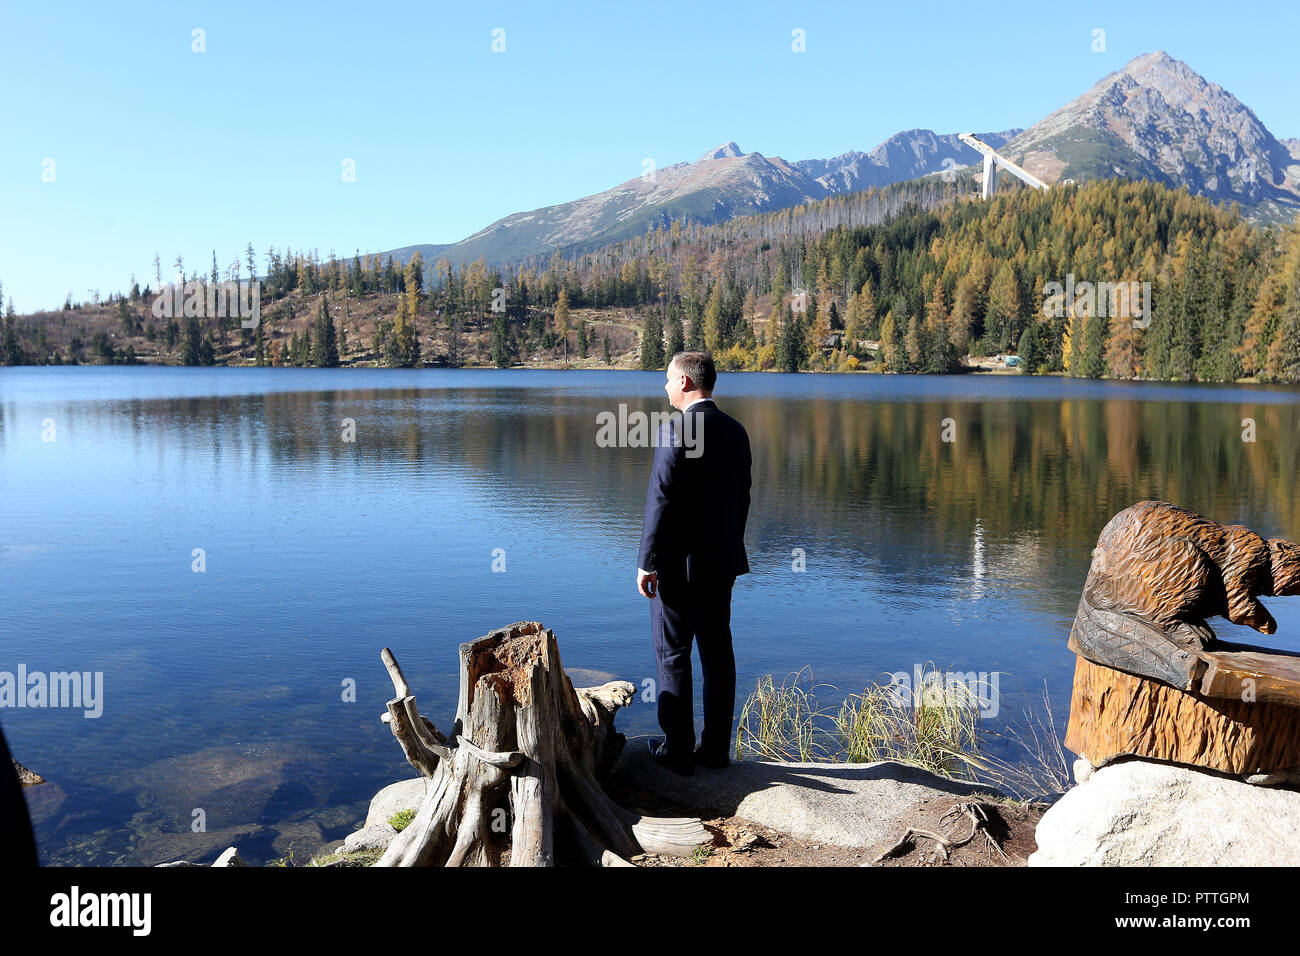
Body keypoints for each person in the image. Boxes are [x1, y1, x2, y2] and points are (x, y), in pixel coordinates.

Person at [637, 351, 751, 775]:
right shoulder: (736, 431)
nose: (665, 387)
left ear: (684, 382)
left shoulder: (676, 430)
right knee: (718, 653)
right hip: (721, 564)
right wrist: (727, 549)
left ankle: (679, 749)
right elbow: (743, 499)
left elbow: (660, 500)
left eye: (668, 380)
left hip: (678, 568)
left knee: (673, 654)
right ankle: (717, 749)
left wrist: (646, 561)